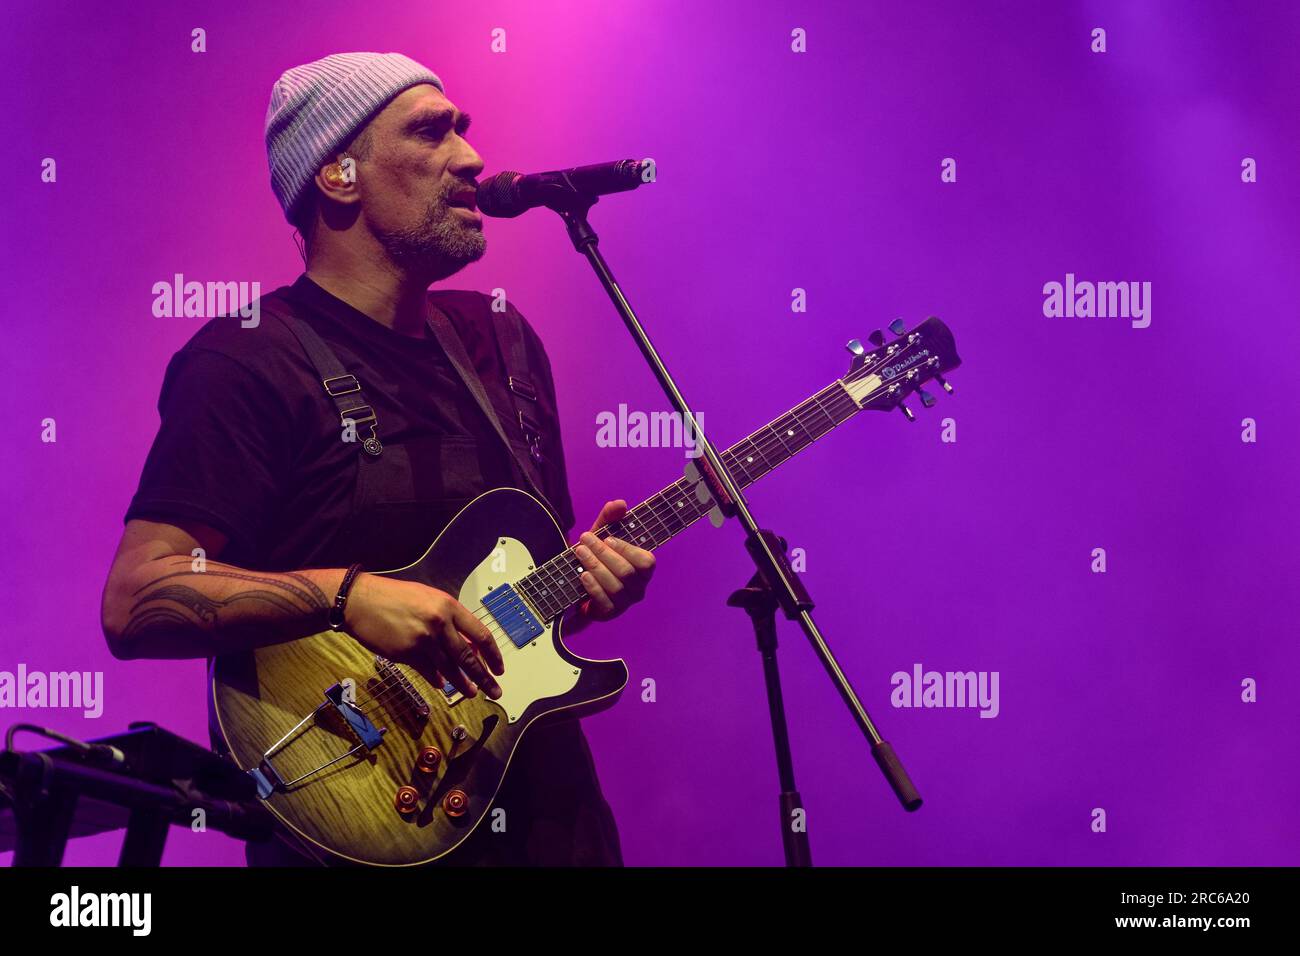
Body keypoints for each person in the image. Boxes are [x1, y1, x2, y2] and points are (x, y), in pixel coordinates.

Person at [99, 52, 656, 866]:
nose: (470, 158)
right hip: (359, 803)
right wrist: (347, 597)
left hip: (549, 820)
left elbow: (514, 606)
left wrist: (589, 586)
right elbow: (136, 598)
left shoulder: (502, 341)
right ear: (339, 174)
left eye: (464, 129)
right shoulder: (246, 360)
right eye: (432, 132)